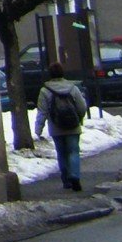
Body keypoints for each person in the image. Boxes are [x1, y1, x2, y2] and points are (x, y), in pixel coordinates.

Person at [35, 62, 91, 192]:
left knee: (61, 153)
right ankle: (75, 176)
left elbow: (42, 111)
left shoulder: (45, 91)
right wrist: (79, 118)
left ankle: (66, 180)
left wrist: (39, 128)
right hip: (73, 125)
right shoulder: (73, 88)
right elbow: (82, 107)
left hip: (56, 126)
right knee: (73, 151)